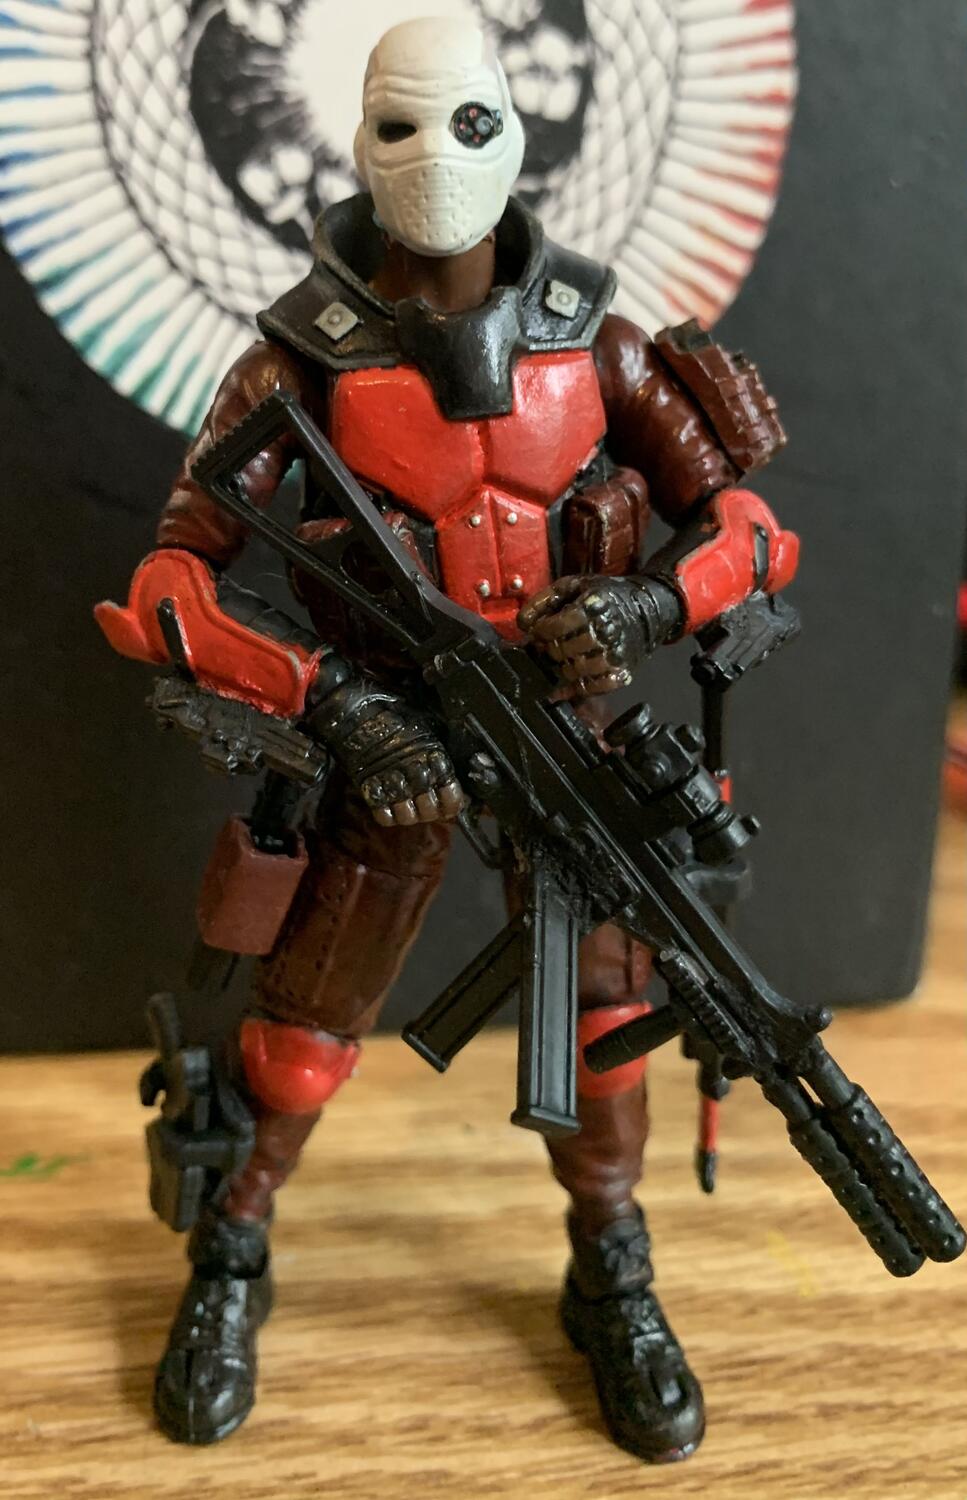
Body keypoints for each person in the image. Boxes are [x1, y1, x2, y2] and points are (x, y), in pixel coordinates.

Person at [97, 14, 793, 1459]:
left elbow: (750, 533)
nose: (434, 160)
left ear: (516, 134)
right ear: (359, 143)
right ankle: (233, 1245)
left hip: (571, 738)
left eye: (469, 123)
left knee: (605, 1023)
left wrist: (646, 606)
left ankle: (611, 1263)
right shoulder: (295, 364)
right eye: (401, 127)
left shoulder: (603, 345)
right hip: (394, 747)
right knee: (304, 1029)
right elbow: (168, 585)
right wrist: (330, 698)